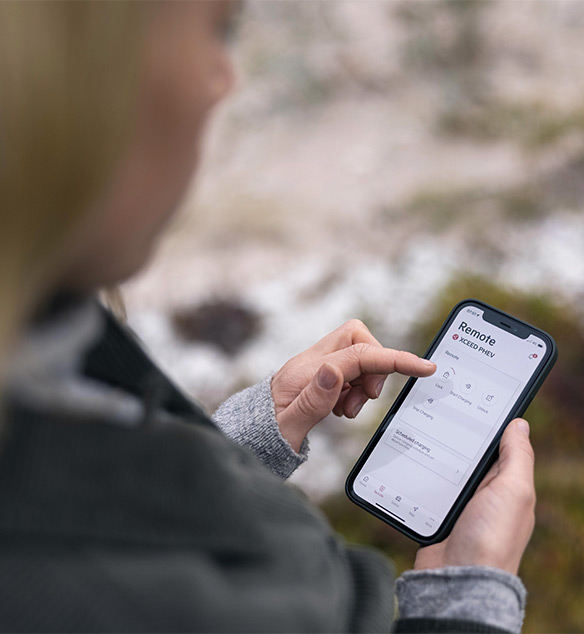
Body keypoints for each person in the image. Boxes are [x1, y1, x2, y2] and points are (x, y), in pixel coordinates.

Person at [0, 3, 536, 632]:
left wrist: (251, 440)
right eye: (213, 31)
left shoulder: (49, 344)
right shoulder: (107, 591)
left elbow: (107, 495)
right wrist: (468, 600)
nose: (220, 81)